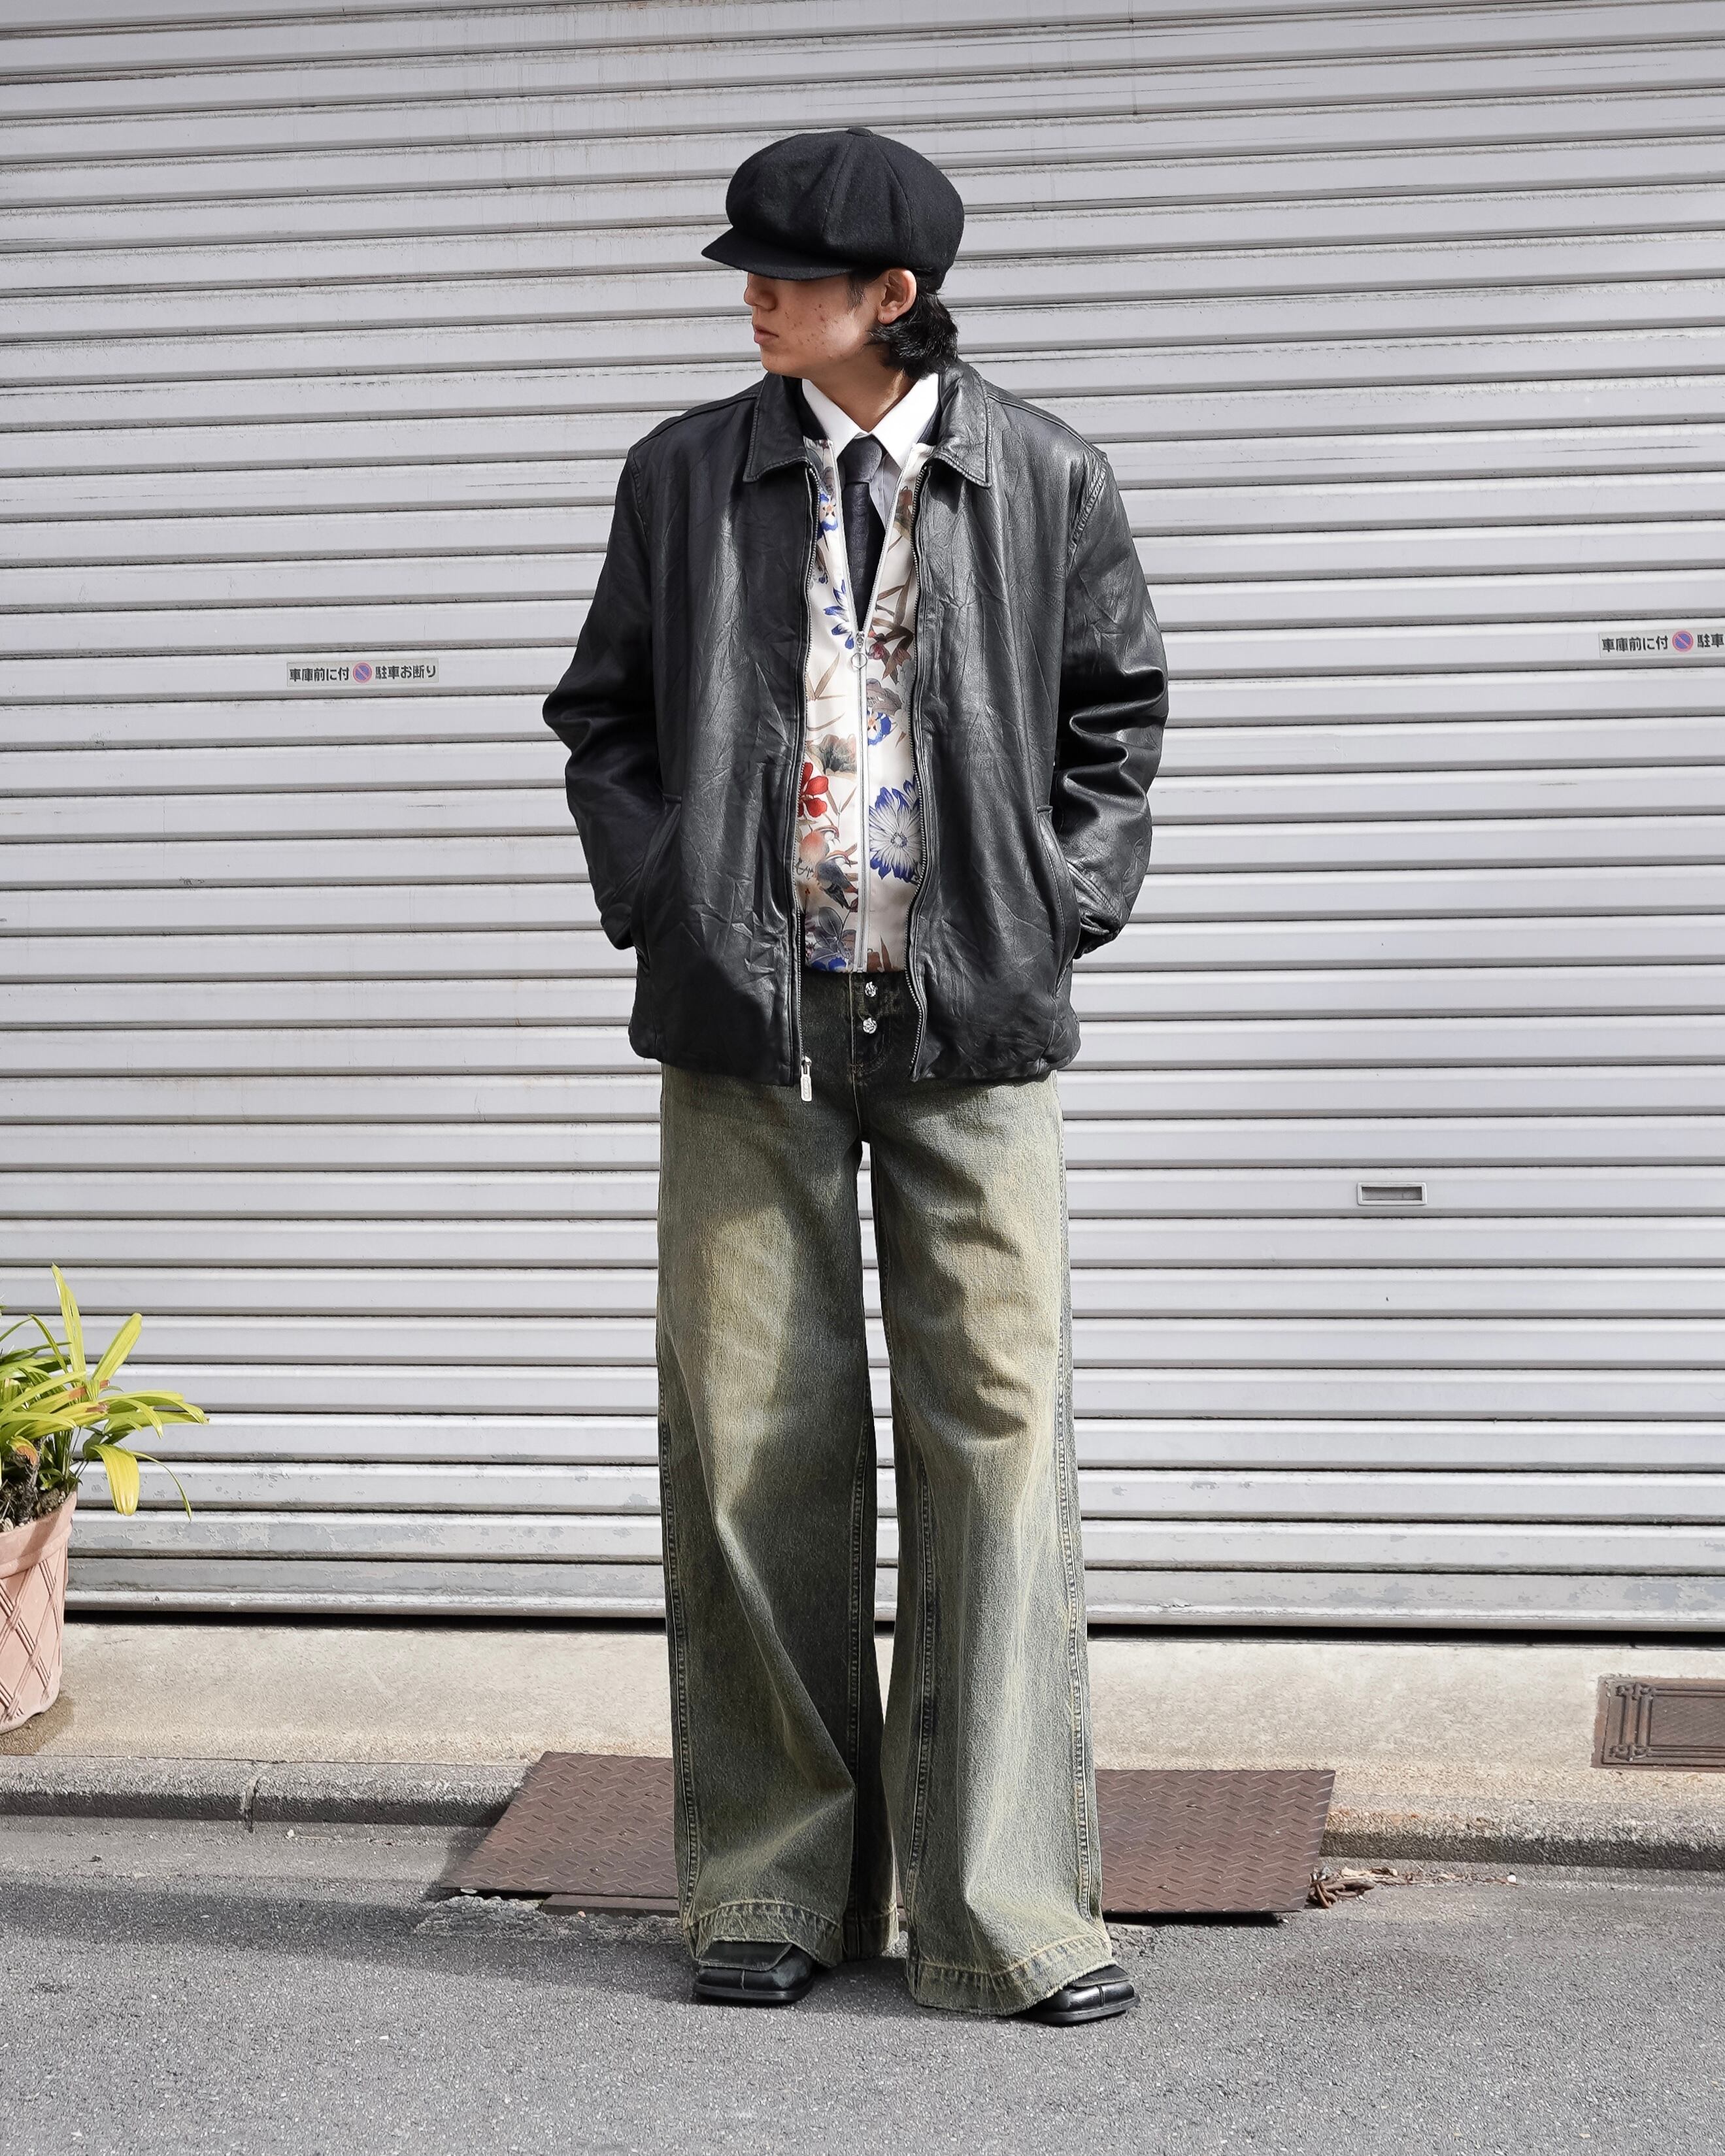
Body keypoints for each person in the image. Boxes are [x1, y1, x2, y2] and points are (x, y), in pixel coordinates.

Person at [543, 127, 1167, 2021]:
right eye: (748, 269)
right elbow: (604, 717)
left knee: (1000, 1447)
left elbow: (1115, 716)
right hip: (752, 1024)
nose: (755, 297)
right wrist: (668, 898)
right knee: (753, 1444)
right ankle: (772, 1885)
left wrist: (1052, 909)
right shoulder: (684, 474)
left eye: (790, 276)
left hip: (971, 1025)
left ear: (893, 297)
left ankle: (1005, 1908)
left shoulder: (1043, 473)